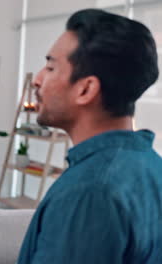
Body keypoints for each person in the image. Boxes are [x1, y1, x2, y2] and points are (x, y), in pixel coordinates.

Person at [18, 9, 162, 263]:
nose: (38, 80)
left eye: (51, 67)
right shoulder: (150, 164)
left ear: (86, 89)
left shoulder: (90, 192)